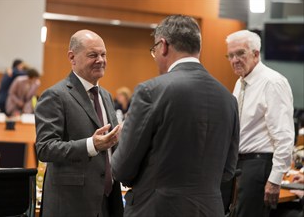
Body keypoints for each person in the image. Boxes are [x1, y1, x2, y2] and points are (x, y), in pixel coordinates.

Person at [111, 14, 240, 217]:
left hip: (156, 209)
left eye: (154, 50)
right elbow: (228, 169)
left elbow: (122, 168)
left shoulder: (151, 91)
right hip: (209, 210)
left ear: (163, 46)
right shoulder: (228, 98)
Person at [35, 29, 124, 217]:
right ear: (72, 57)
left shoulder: (106, 96)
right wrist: (91, 145)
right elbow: (45, 148)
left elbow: (110, 149)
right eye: (93, 55)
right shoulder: (55, 95)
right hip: (71, 205)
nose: (100, 60)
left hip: (107, 202)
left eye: (103, 54)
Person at [225, 30, 295, 217]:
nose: (234, 60)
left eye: (240, 53)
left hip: (259, 165)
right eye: (230, 55)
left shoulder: (272, 82)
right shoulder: (241, 82)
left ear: (256, 53)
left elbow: (284, 136)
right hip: (240, 165)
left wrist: (275, 179)